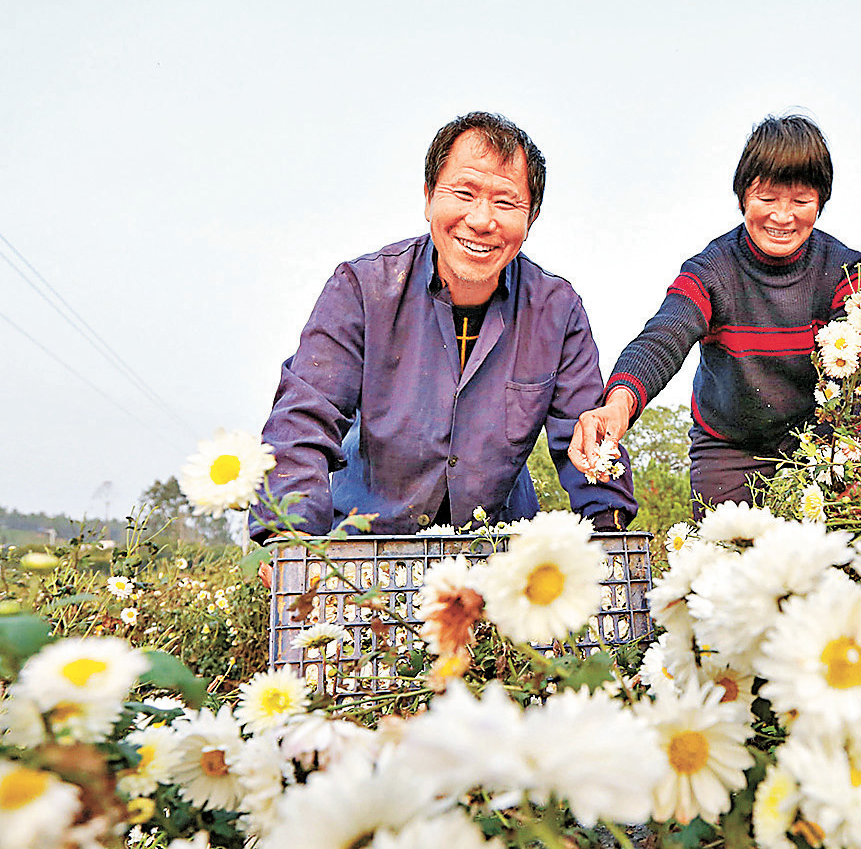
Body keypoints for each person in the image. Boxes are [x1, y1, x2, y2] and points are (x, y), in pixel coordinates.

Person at [251, 112, 636, 541]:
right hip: (366, 547)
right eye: (464, 193)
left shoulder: (556, 311)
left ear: (532, 215)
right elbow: (305, 419)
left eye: (506, 202)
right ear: (429, 196)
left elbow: (587, 438)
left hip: (497, 550)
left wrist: (610, 527)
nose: (481, 220)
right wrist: (289, 536)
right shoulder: (362, 290)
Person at [569, 115, 861, 517]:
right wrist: (618, 405)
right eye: (767, 198)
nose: (782, 217)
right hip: (729, 450)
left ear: (821, 201)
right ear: (743, 196)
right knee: (724, 566)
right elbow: (664, 337)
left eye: (800, 200)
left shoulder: (846, 272)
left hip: (821, 446)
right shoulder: (711, 270)